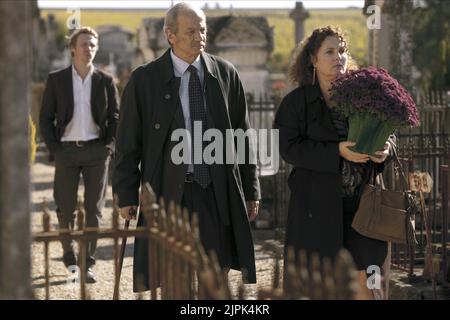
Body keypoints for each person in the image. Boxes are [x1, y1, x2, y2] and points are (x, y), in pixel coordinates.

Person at [113, 3, 261, 292]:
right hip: (168, 195)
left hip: (214, 194)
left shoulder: (226, 74)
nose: (199, 36)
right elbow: (128, 142)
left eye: (203, 30)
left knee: (215, 279)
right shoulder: (145, 79)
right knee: (173, 277)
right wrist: (125, 193)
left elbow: (243, 136)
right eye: (191, 31)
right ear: (170, 35)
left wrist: (251, 188)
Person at [274, 26, 395, 300]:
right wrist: (337, 152)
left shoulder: (363, 97)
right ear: (312, 60)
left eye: (342, 51)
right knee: (322, 287)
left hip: (365, 207)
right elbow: (288, 148)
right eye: (329, 51)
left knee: (370, 283)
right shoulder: (296, 103)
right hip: (316, 208)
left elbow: (388, 129)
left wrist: (386, 149)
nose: (338, 57)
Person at [39, 27, 119, 283]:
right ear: (73, 48)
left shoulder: (105, 81)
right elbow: (45, 118)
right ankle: (69, 257)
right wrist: (55, 149)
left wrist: (109, 145)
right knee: (65, 209)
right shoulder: (57, 79)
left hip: (97, 150)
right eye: (85, 44)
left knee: (94, 210)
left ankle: (88, 264)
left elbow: (116, 116)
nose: (90, 49)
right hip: (66, 151)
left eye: (93, 44)